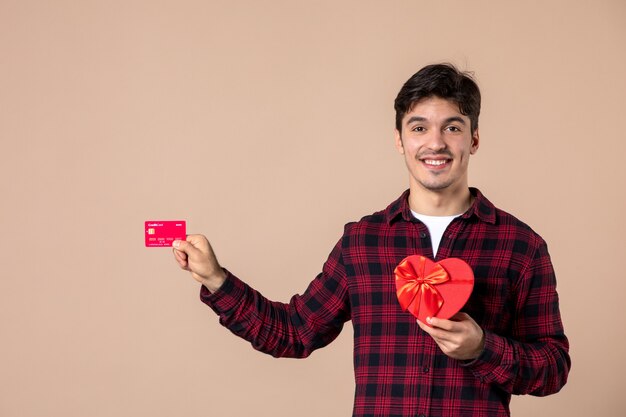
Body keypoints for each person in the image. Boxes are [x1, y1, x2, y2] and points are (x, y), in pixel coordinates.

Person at [172, 63, 570, 417]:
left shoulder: (521, 246)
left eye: (452, 127)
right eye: (419, 127)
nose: (436, 143)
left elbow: (553, 367)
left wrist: (482, 349)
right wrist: (216, 279)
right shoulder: (362, 242)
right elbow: (293, 332)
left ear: (474, 139)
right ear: (399, 140)